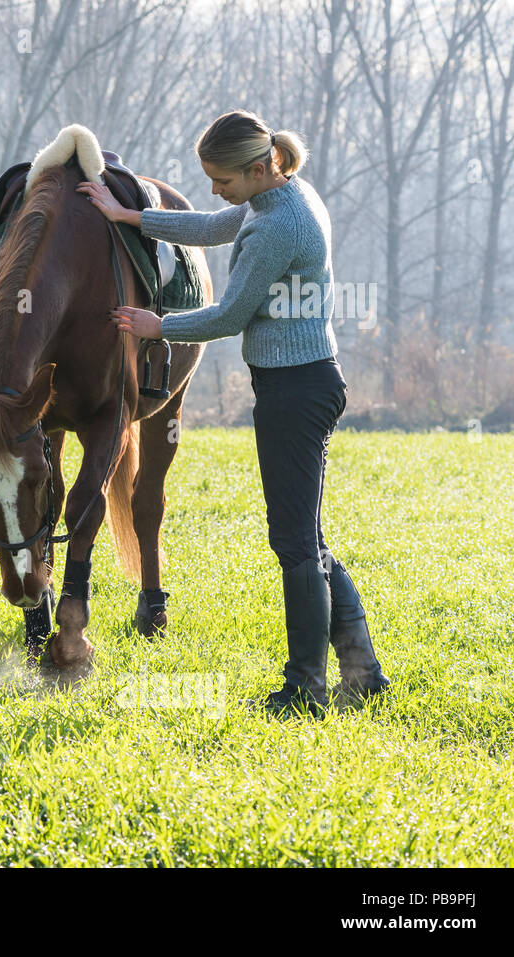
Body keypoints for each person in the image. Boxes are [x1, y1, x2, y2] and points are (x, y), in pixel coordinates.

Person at [78, 109, 389, 717]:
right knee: (306, 537)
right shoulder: (279, 195)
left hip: (295, 392)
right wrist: (132, 215)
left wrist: (155, 326)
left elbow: (229, 316)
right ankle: (363, 671)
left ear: (255, 168)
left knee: (295, 541)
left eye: (222, 179)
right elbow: (214, 224)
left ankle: (306, 688)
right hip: (299, 383)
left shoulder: (281, 225)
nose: (216, 190)